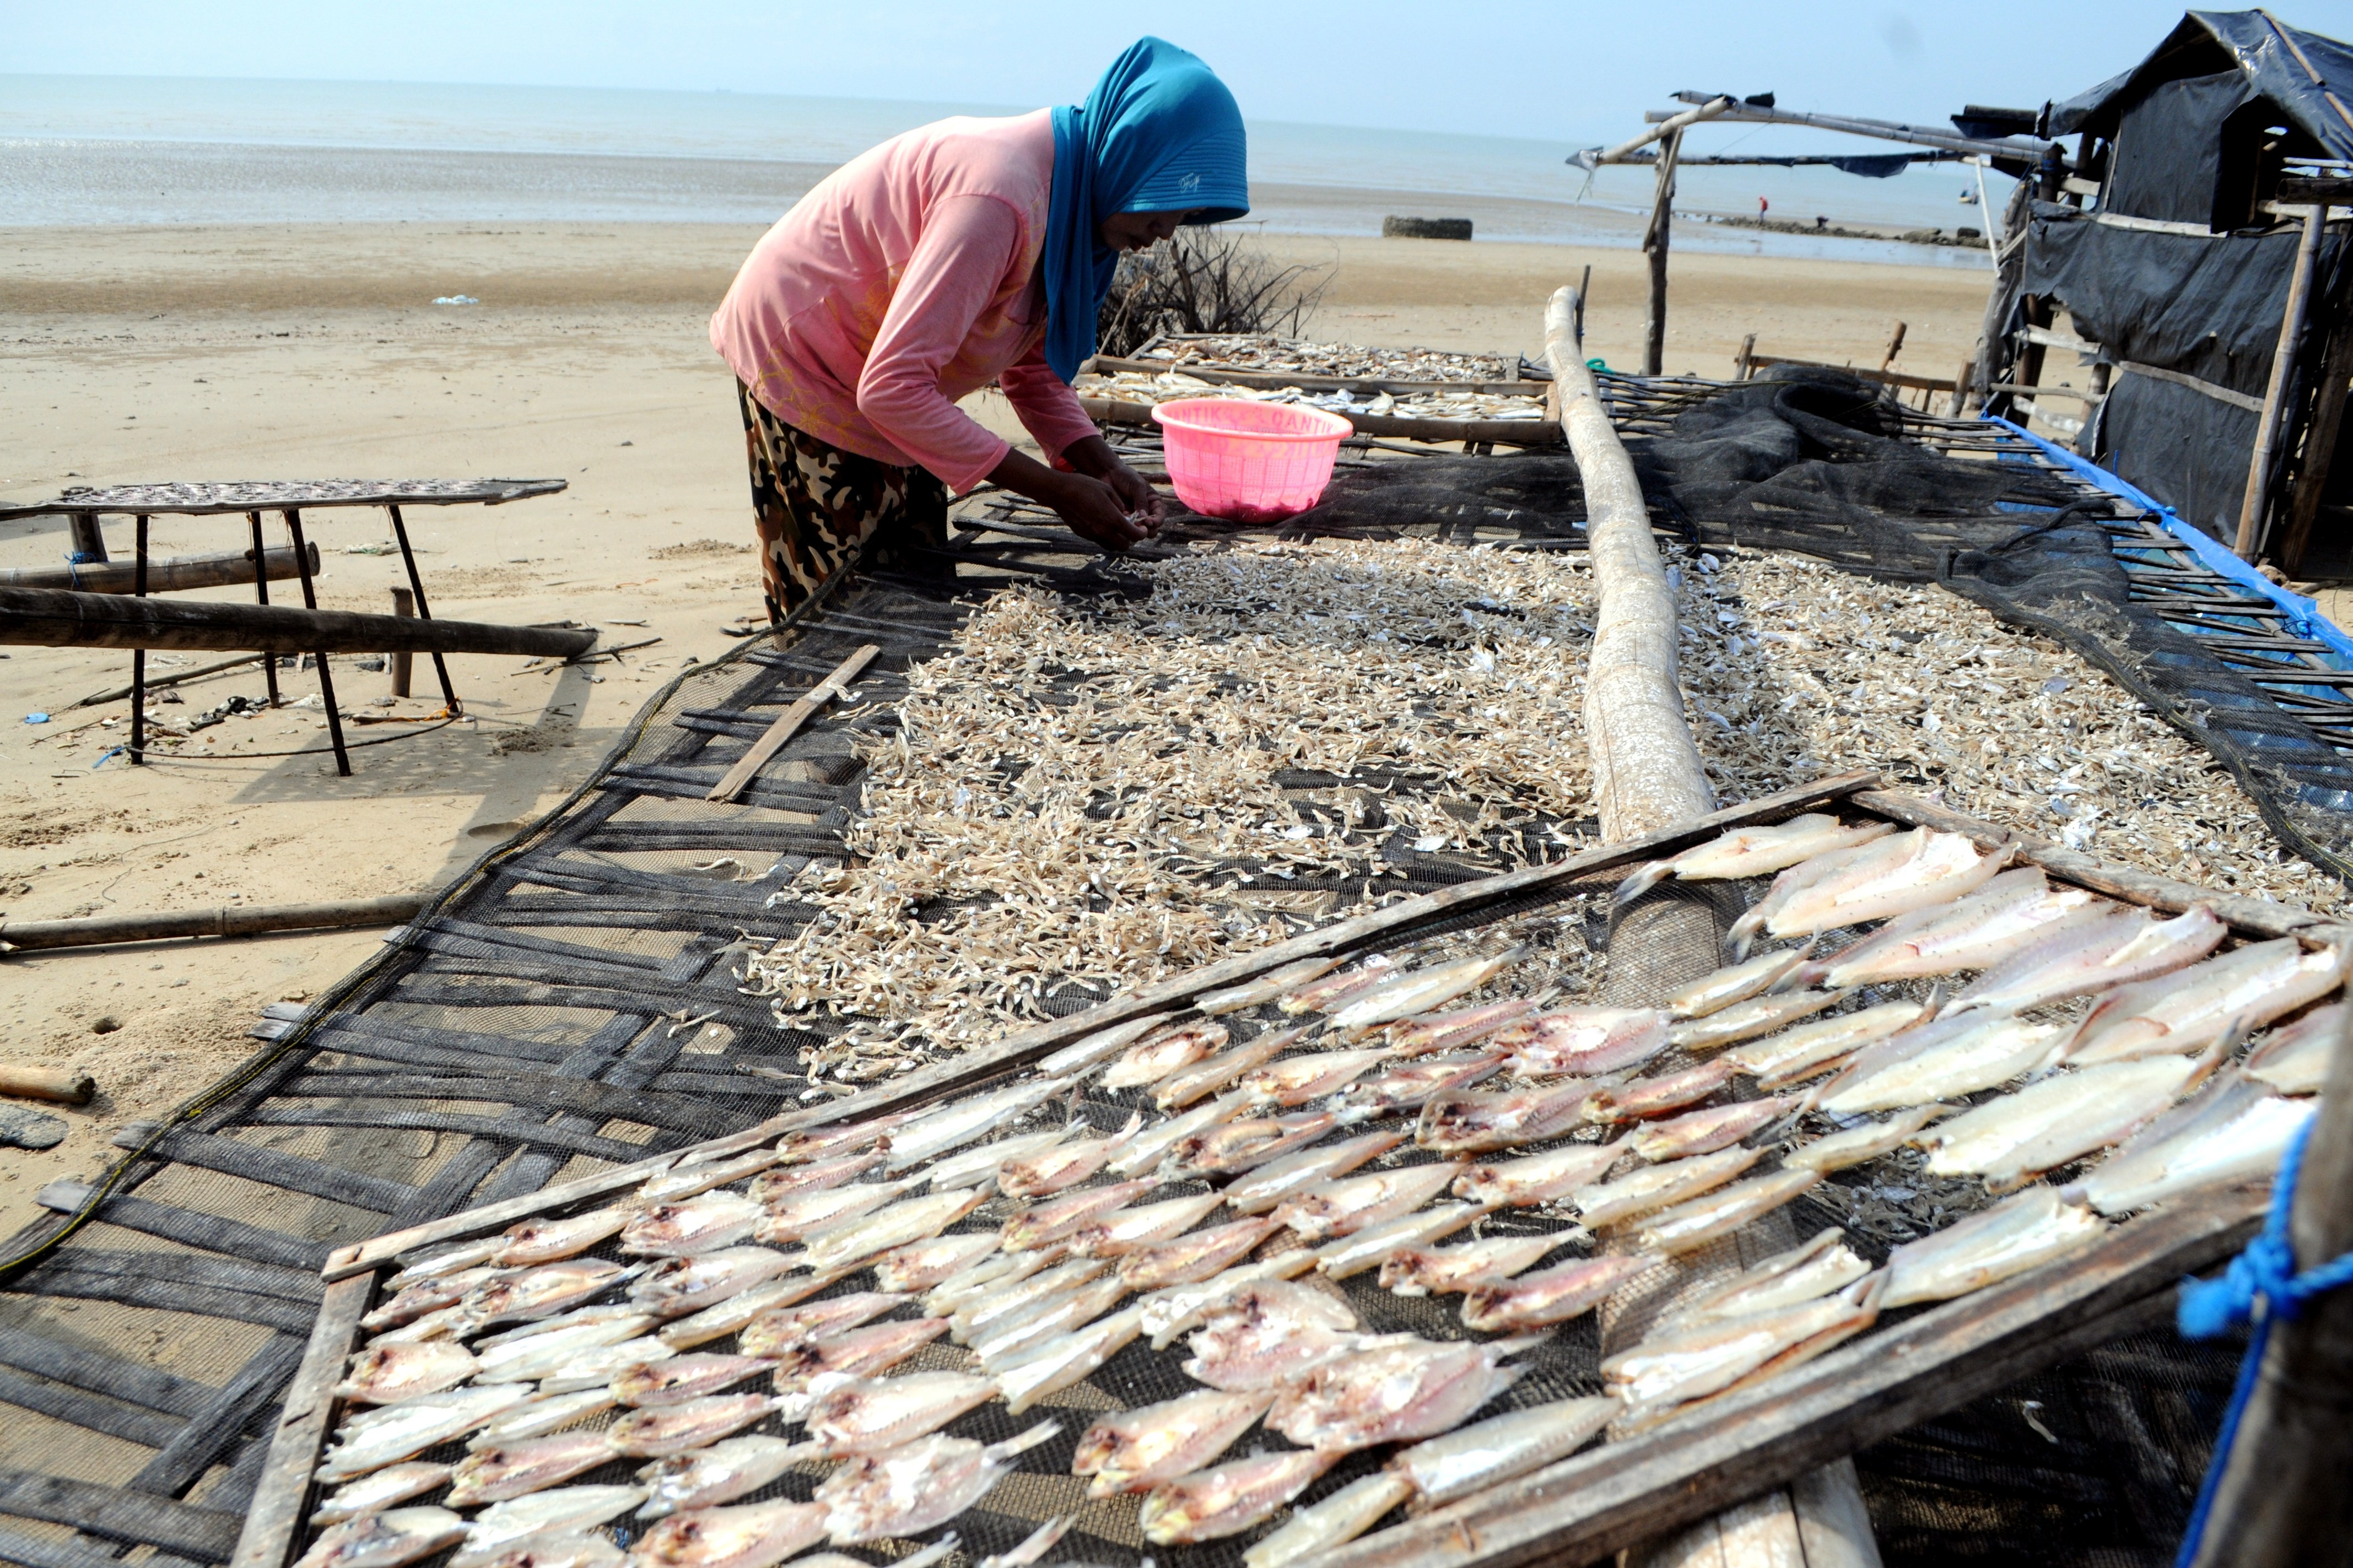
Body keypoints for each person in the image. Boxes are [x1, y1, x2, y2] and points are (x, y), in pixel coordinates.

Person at [710, 37, 1249, 622]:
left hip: (893, 372)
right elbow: (891, 389)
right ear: (1130, 154)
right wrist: (1053, 490)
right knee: (844, 602)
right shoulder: (1002, 199)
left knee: (915, 576)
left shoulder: (1082, 212)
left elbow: (1033, 369)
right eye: (1166, 201)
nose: (1167, 230)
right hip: (805, 348)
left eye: (1187, 215)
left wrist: (1102, 466)